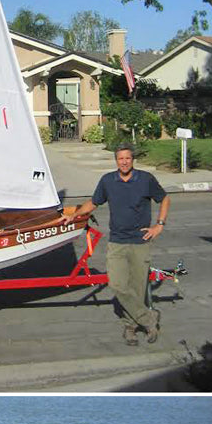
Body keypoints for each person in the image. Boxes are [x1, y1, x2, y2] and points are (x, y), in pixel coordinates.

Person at [61, 143, 170, 345]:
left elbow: (164, 199)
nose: (124, 162)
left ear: (132, 160)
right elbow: (94, 202)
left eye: (128, 158)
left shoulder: (145, 179)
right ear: (116, 160)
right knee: (117, 284)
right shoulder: (108, 181)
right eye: (121, 159)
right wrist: (75, 214)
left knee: (137, 288)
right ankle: (149, 318)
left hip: (140, 241)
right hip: (117, 242)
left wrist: (159, 226)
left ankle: (130, 327)